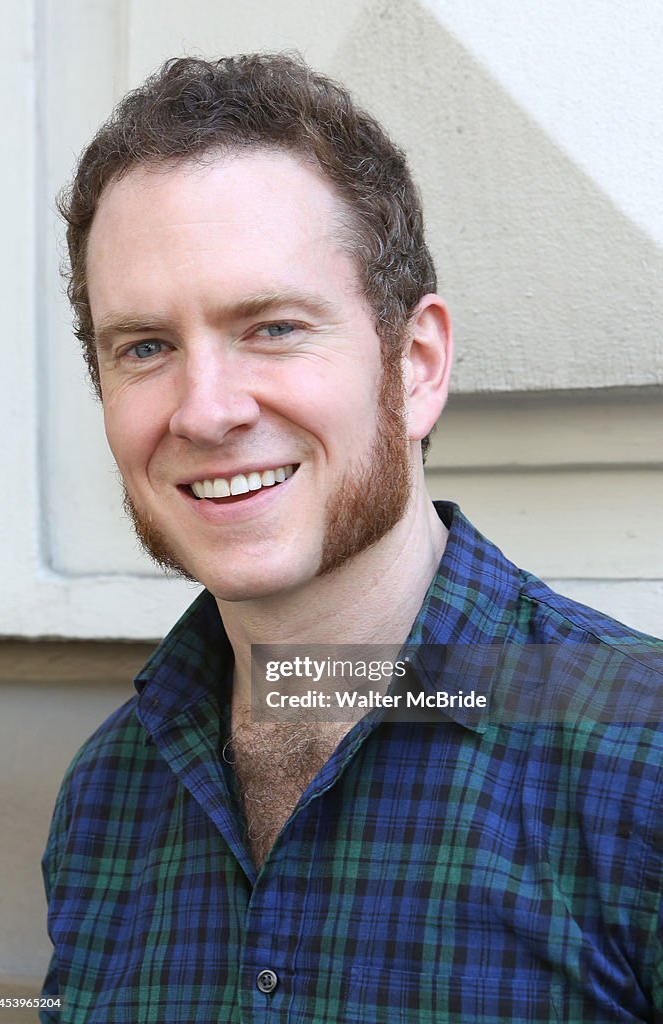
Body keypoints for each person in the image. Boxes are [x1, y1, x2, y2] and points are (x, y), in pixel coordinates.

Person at [41, 53, 663, 1023]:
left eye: (273, 327)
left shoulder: (639, 762)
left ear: (414, 367)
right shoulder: (105, 799)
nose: (205, 411)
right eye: (146, 347)